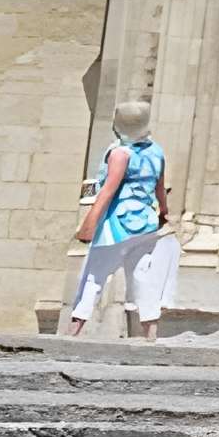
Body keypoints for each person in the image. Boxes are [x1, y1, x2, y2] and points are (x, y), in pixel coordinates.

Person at [63, 99, 174, 338]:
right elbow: (160, 188)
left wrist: (88, 224)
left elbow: (107, 191)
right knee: (144, 276)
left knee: (94, 274)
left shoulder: (120, 153)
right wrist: (164, 212)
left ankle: (73, 330)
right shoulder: (156, 151)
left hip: (117, 224)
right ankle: (150, 333)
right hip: (145, 223)